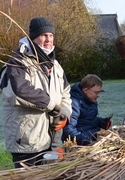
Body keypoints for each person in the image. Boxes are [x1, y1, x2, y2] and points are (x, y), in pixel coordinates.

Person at [0, 17, 72, 168]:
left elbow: (66, 92)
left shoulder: (55, 65)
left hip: (50, 139)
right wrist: (52, 106)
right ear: (33, 38)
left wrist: (64, 114)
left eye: (51, 35)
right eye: (43, 35)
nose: (48, 39)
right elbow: (18, 91)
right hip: (27, 140)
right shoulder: (17, 61)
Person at [62, 74, 112, 145]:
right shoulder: (74, 103)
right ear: (85, 90)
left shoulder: (90, 99)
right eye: (96, 92)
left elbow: (87, 119)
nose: (98, 95)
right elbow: (68, 129)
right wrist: (85, 140)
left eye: (99, 92)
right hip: (81, 144)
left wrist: (101, 122)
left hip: (92, 138)